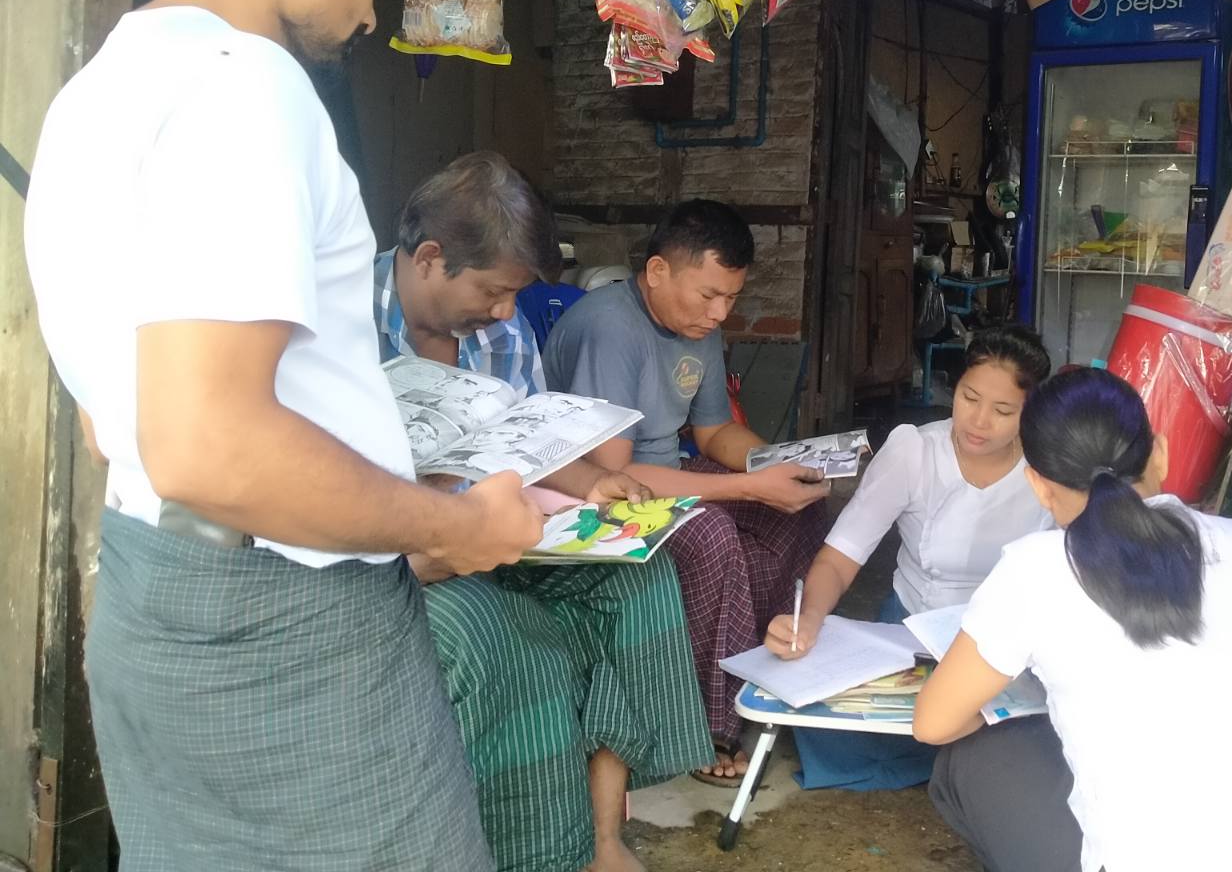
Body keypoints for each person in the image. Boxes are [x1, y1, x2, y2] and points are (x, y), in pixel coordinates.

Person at [22, 0, 543, 871]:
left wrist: (379, 491)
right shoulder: (244, 85)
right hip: (281, 623)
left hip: (151, 586)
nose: (369, 15)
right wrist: (446, 527)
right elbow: (209, 446)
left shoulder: (91, 98)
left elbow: (118, 424)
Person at [374, 153, 713, 872]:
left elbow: (525, 433)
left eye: (515, 294)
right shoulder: (337, 323)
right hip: (400, 559)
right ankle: (536, 855)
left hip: (501, 535)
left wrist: (593, 482)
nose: (506, 313)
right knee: (502, 633)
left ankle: (603, 842)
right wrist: (429, 531)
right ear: (429, 259)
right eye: (494, 291)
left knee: (642, 577)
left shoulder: (499, 333)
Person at [914, 368, 1232, 872]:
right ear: (1159, 453)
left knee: (973, 757)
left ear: (1039, 486)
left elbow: (933, 724)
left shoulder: (1036, 569)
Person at [542, 199, 831, 784]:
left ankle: (763, 669)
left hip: (663, 471)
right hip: (586, 491)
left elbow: (714, 432)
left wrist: (782, 465)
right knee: (710, 532)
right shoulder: (611, 328)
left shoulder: (698, 327)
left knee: (801, 509)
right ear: (657, 272)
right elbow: (615, 474)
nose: (720, 313)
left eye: (731, 298)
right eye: (709, 295)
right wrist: (748, 487)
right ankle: (706, 723)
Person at [764, 326, 1056, 790]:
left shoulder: (1048, 470)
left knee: (1031, 733)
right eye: (969, 398)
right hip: (913, 631)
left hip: (1001, 643)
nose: (979, 421)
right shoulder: (915, 451)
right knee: (832, 719)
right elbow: (840, 558)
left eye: (1003, 411)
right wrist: (809, 620)